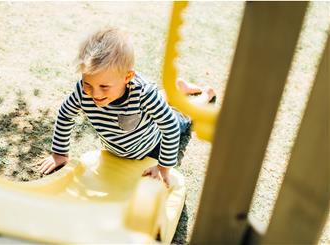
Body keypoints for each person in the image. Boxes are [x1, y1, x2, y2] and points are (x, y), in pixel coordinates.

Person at [37, 27, 216, 187]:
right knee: (151, 103)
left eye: (104, 87)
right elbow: (65, 114)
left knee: (182, 114)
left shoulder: (144, 93)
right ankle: (176, 89)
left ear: (127, 77)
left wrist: (163, 167)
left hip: (154, 143)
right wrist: (59, 153)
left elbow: (169, 127)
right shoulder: (84, 90)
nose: (95, 94)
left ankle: (205, 95)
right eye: (88, 84)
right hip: (124, 138)